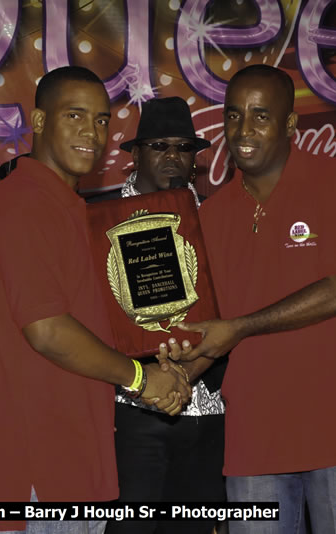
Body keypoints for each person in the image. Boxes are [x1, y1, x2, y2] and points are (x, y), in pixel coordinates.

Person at [161, 65, 336, 533]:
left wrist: (240, 327)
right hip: (253, 439)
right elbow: (214, 328)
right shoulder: (215, 214)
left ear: (289, 124)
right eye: (234, 115)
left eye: (261, 116)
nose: (244, 130)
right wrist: (175, 374)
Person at [0, 66, 191, 534]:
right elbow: (47, 330)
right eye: (75, 115)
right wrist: (138, 378)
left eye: (102, 120)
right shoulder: (24, 203)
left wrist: (161, 358)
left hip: (75, 452)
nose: (92, 132)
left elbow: (94, 323)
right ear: (40, 121)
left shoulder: (69, 207)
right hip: (41, 465)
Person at [103, 96, 226, 534]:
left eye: (183, 147)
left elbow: (237, 313)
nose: (173, 157)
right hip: (131, 403)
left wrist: (189, 373)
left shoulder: (218, 218)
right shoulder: (97, 221)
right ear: (134, 155)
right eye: (159, 146)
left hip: (205, 403)